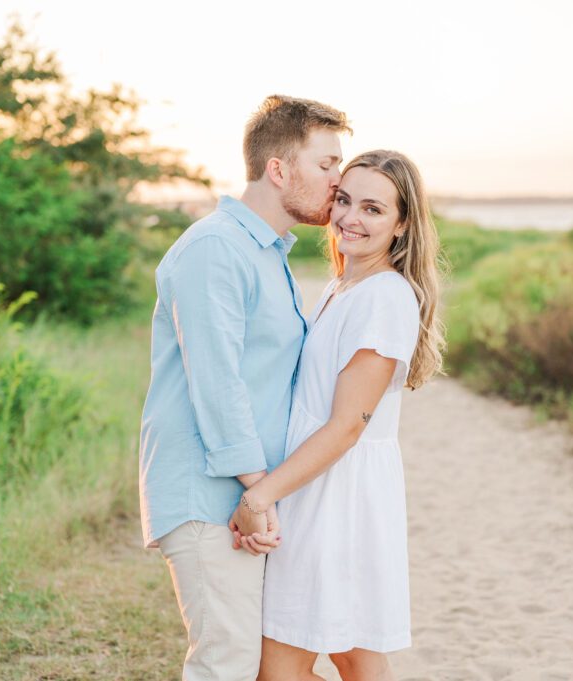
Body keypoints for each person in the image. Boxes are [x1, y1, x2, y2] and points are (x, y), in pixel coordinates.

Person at [138, 94, 351, 681]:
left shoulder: (265, 253)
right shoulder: (215, 250)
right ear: (279, 169)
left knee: (256, 663)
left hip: (243, 497)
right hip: (210, 496)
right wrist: (259, 493)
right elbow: (217, 385)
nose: (339, 180)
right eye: (327, 164)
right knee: (225, 664)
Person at [229, 150, 446, 681]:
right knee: (356, 657)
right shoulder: (341, 286)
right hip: (319, 485)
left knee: (280, 671)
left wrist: (261, 494)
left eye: (373, 209)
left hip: (337, 497)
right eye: (344, 200)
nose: (351, 217)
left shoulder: (384, 297)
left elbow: (349, 425)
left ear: (402, 225)